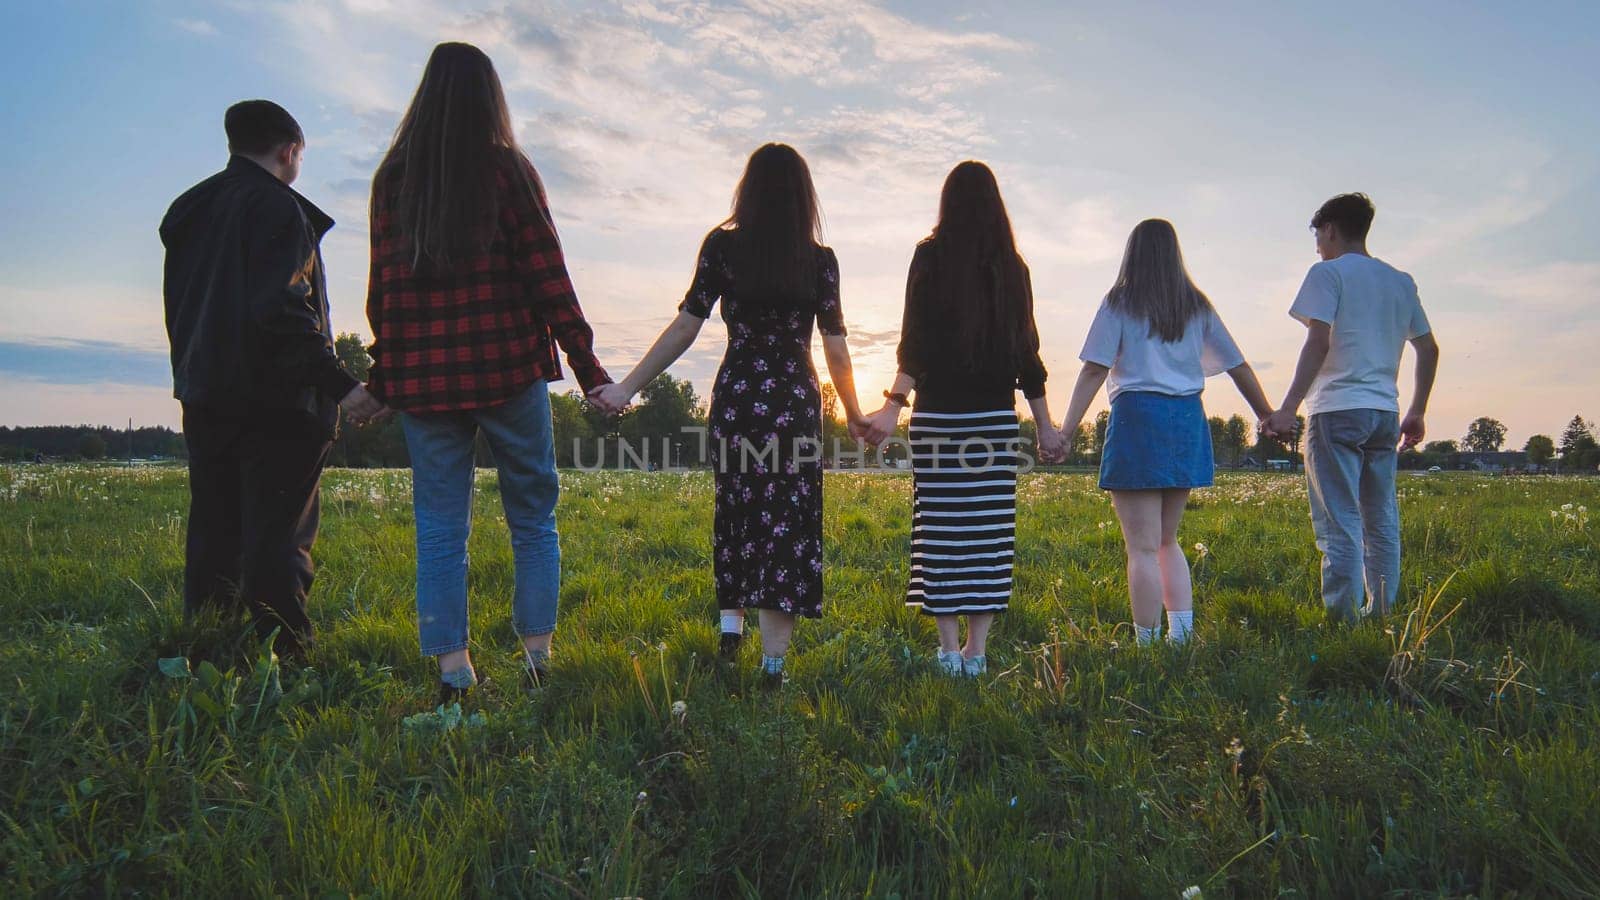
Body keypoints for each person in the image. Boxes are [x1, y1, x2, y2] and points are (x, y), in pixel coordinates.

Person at [364, 43, 613, 703]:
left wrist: (384, 378)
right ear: (490, 98)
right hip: (505, 369)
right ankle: (537, 661)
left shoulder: (392, 180)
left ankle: (453, 671)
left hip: (424, 381)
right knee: (533, 515)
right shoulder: (507, 171)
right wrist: (589, 372)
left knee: (440, 523)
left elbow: (381, 292)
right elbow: (548, 277)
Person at [592, 143, 867, 687]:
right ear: (803, 198)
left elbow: (685, 326)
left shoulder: (722, 246)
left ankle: (730, 628)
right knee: (785, 523)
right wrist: (855, 413)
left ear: (749, 191)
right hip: (791, 401)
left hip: (740, 397)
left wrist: (627, 386)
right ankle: (772, 666)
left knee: (737, 509)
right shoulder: (820, 260)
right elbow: (834, 347)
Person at [160, 100, 382, 662]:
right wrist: (343, 387)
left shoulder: (187, 210)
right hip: (280, 404)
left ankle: (207, 647)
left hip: (205, 391)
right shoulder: (281, 211)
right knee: (279, 536)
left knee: (213, 528)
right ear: (290, 151)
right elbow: (284, 312)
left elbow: (184, 307)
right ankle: (285, 658)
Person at [860, 161, 1065, 677]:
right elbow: (1028, 355)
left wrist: (893, 404)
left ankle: (949, 651)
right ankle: (978, 652)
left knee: (942, 532)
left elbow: (915, 340)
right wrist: (1045, 425)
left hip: (938, 422)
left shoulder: (930, 257)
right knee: (990, 534)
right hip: (995, 421)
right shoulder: (1013, 268)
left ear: (946, 203)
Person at [1059, 219, 1274, 645]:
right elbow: (1239, 365)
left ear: (1131, 254)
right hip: (1187, 419)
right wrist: (1267, 414)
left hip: (1139, 415)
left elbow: (1094, 367)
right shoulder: (1196, 304)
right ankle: (1179, 638)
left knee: (1140, 546)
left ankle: (1146, 645)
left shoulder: (1121, 302)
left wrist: (1066, 430)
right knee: (1167, 541)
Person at [1263, 193, 1439, 623]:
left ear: (1330, 229)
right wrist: (1417, 409)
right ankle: (1380, 614)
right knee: (1380, 520)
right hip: (1384, 414)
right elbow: (1428, 349)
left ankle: (1343, 624)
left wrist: (1287, 408)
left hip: (1337, 410)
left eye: (1318, 237)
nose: (1318, 247)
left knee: (1338, 522)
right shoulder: (1401, 281)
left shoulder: (1327, 274)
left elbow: (1318, 340)